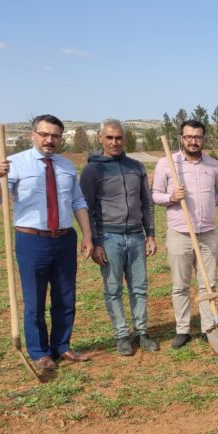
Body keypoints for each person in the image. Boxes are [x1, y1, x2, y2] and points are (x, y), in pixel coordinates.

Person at [0, 114, 94, 371]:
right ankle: (39, 352)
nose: (49, 140)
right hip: (32, 240)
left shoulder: (67, 166)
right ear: (33, 135)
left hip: (65, 239)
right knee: (34, 299)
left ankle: (62, 346)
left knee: (65, 296)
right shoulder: (14, 163)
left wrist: (87, 235)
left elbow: (78, 202)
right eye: (44, 134)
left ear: (60, 138)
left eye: (55, 135)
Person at [80, 119, 158, 356]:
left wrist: (151, 234)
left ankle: (141, 332)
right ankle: (122, 335)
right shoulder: (93, 170)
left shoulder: (136, 167)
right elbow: (87, 208)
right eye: (109, 138)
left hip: (135, 237)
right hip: (109, 238)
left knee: (140, 287)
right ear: (101, 139)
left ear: (125, 139)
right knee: (113, 289)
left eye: (119, 138)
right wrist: (94, 242)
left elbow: (147, 202)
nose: (115, 142)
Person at [152, 119, 218, 349]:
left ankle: (208, 327)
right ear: (182, 139)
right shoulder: (167, 164)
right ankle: (182, 329)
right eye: (188, 137)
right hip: (179, 232)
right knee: (180, 284)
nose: (193, 141)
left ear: (203, 139)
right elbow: (155, 194)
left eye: (197, 137)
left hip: (207, 233)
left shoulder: (213, 165)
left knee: (208, 283)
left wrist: (207, 206)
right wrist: (171, 198)